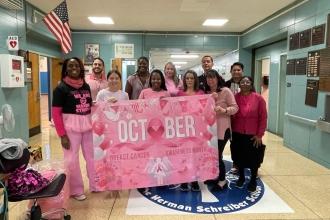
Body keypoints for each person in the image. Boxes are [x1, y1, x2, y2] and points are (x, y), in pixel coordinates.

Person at [52, 57, 95, 201]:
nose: (73, 68)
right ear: (66, 69)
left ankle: (95, 184)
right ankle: (76, 190)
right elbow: (56, 113)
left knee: (92, 156)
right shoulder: (60, 88)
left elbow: (90, 106)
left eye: (76, 65)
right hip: (70, 129)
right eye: (70, 66)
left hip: (88, 127)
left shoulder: (86, 86)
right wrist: (62, 135)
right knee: (71, 160)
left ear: (81, 68)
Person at [231, 76, 267, 192]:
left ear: (251, 84)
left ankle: (252, 179)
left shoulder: (259, 99)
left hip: (253, 135)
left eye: (248, 81)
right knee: (239, 157)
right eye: (242, 82)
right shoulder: (235, 98)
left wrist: (259, 134)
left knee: (254, 159)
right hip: (237, 133)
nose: (245, 83)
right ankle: (241, 177)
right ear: (239, 84)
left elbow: (263, 118)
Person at [204, 69, 238, 191]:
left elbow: (235, 107)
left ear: (218, 78)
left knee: (217, 156)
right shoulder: (206, 93)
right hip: (209, 130)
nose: (210, 80)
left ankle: (222, 180)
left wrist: (224, 111)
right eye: (208, 78)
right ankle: (213, 175)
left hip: (222, 130)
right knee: (210, 156)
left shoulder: (225, 91)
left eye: (212, 77)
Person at [177, 70, 204, 192]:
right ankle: (183, 180)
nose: (189, 80)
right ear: (184, 80)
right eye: (187, 78)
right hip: (183, 130)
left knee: (195, 156)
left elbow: (205, 109)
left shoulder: (201, 93)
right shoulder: (179, 94)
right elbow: (174, 111)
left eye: (191, 78)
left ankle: (194, 180)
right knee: (184, 155)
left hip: (196, 130)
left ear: (195, 80)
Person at [225, 62, 244, 174]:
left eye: (239, 70)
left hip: (244, 118)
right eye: (234, 70)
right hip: (230, 118)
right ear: (231, 71)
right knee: (234, 142)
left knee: (246, 143)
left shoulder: (247, 82)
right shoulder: (226, 84)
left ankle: (248, 164)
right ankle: (236, 164)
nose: (236, 72)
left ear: (242, 71)